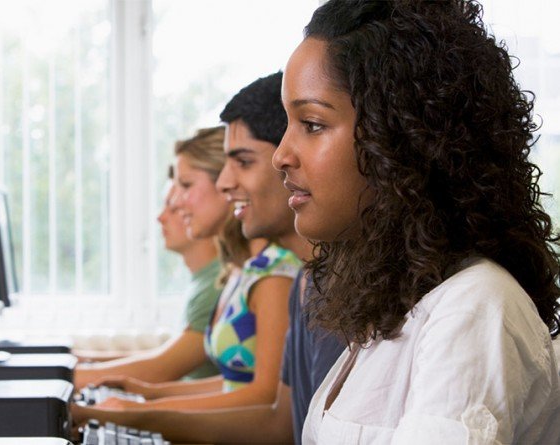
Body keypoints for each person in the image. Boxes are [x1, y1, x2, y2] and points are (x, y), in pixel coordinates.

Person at [271, 1, 560, 443]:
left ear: (401, 138)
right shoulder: (394, 308)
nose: (281, 155)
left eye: (311, 124)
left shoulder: (473, 307)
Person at [73, 73, 335, 442]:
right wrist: (146, 402)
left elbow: (266, 405)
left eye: (243, 162)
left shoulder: (281, 275)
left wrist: (144, 411)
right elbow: (273, 412)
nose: (225, 183)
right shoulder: (301, 283)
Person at [73, 127, 247, 390]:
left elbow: (161, 368)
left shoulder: (225, 280)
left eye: (185, 186)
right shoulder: (224, 277)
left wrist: (63, 376)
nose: (171, 208)